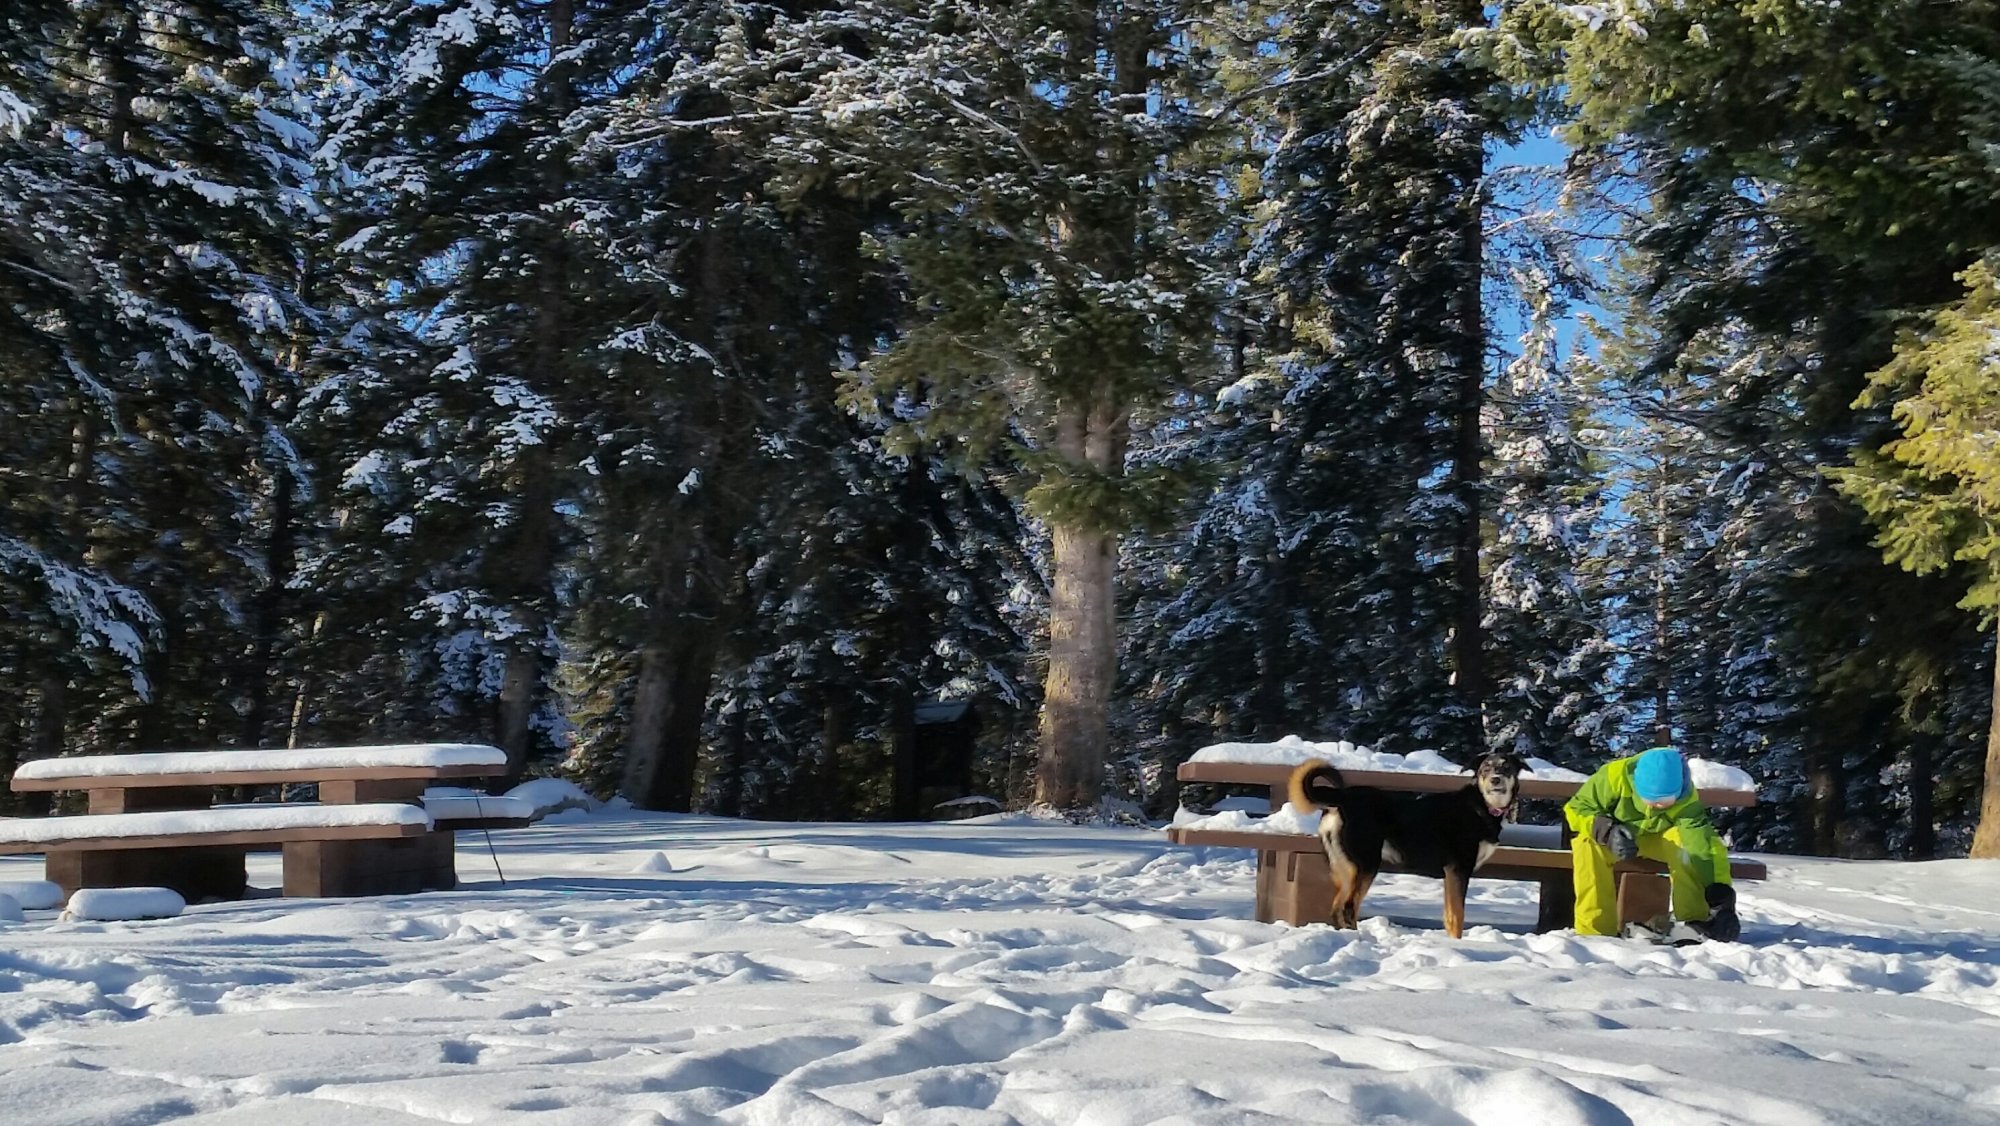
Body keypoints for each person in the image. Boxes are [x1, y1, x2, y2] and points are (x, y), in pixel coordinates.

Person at [1563, 746, 1740, 941]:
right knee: (1586, 843)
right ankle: (1595, 932)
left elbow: (1703, 847)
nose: (1656, 806)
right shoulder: (1613, 776)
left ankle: (1693, 925)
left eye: (1664, 800)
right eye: (1648, 797)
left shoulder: (1686, 796)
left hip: (1659, 841)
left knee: (1685, 844)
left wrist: (1722, 899)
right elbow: (1575, 810)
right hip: (1615, 840)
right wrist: (1607, 831)